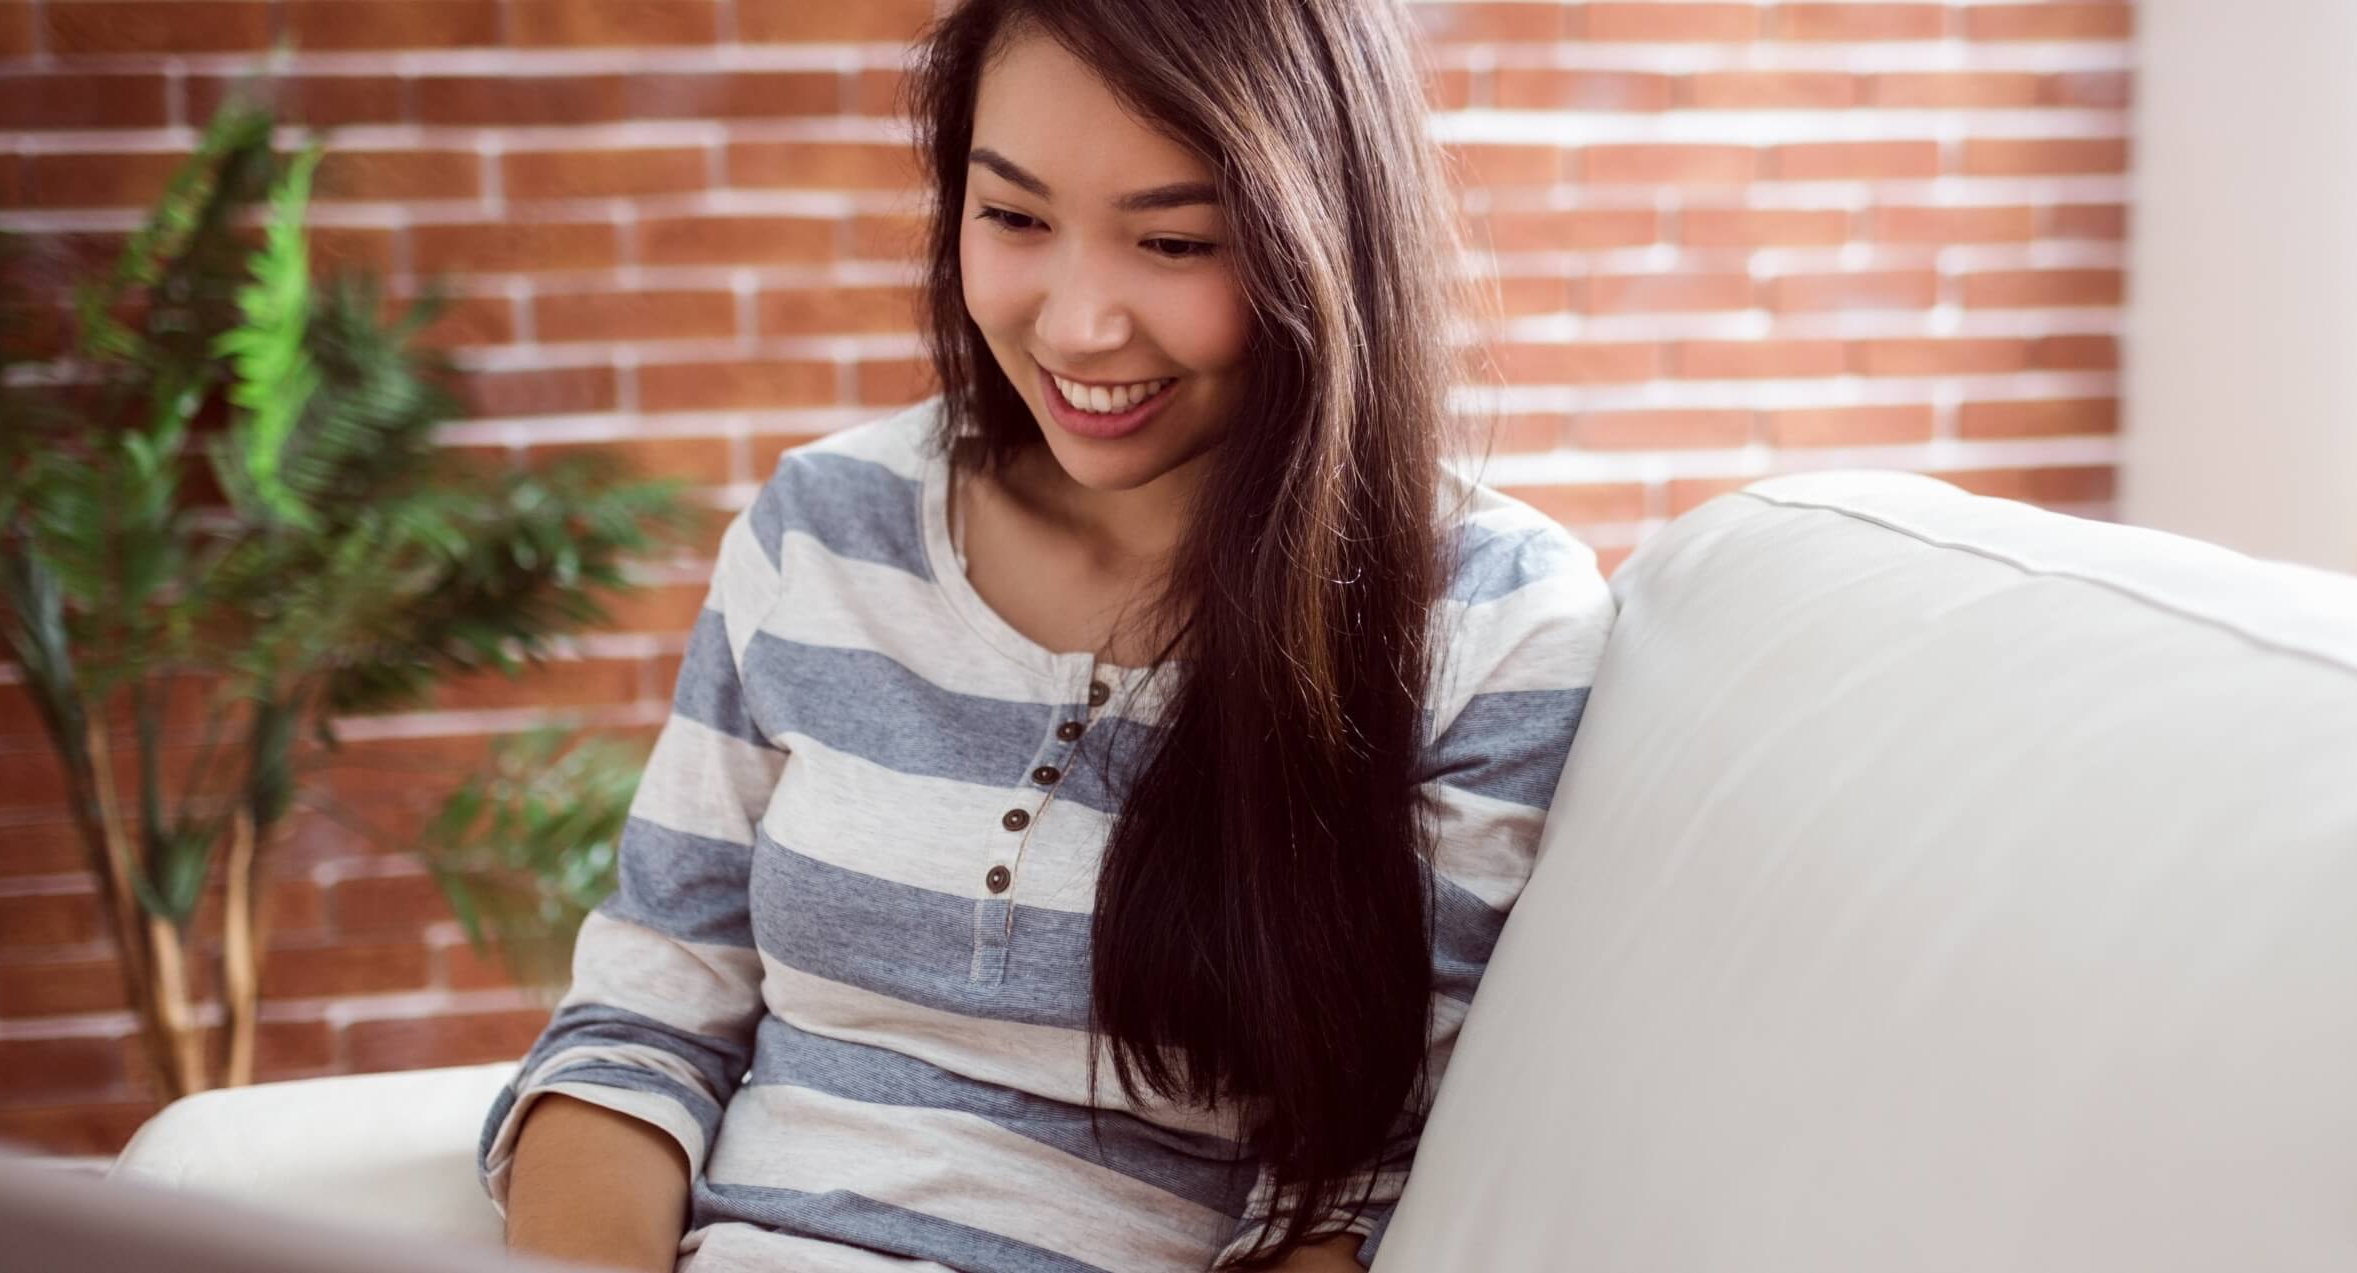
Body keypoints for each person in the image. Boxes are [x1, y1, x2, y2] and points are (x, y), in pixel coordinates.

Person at [476, 1, 1616, 1269]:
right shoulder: (827, 528)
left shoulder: (1490, 622)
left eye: (1176, 241)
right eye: (1013, 217)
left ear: (1323, 242)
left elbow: (1348, 1194)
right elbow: (642, 1025)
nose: (1078, 327)